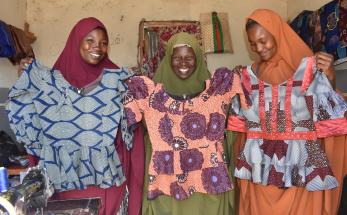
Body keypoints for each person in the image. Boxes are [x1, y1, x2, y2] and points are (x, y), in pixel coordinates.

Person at [7, 17, 144, 215]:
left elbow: (131, 136)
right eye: (90, 40)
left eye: (103, 43)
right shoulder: (48, 84)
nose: (97, 47)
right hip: (62, 185)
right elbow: (29, 123)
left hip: (106, 184)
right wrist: (27, 81)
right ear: (75, 41)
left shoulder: (118, 83)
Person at [227, 9, 347, 215]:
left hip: (300, 171)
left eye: (263, 40)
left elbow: (328, 110)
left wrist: (329, 78)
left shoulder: (309, 66)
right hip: (261, 173)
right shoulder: (250, 74)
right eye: (253, 44)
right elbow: (242, 130)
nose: (259, 48)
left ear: (278, 33)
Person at [123, 32, 248, 215]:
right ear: (168, 60)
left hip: (208, 190)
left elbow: (245, 109)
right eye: (177, 58)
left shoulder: (218, 91)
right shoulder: (150, 97)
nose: (183, 63)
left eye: (189, 58)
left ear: (198, 59)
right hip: (167, 190)